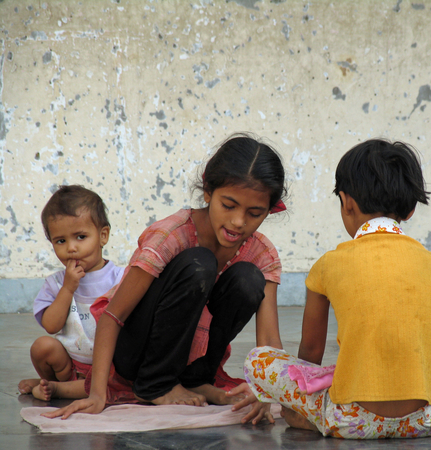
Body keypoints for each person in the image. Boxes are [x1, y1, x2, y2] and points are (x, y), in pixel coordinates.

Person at [44, 134, 287, 424]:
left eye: (254, 213)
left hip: (190, 362)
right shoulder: (171, 235)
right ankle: (155, 384)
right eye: (229, 205)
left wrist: (267, 390)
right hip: (135, 358)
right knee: (200, 263)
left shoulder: (262, 253)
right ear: (208, 192)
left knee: (249, 279)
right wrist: (98, 394)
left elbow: (270, 339)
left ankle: (195, 380)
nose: (238, 221)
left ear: (269, 210)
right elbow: (113, 316)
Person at [244, 139, 431, 439]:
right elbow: (428, 342)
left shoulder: (329, 264)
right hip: (423, 420)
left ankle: (316, 419)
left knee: (258, 360)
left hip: (351, 420)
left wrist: (295, 403)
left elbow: (311, 353)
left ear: (347, 203)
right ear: (409, 210)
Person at [18, 185, 124, 401]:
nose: (71, 248)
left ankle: (55, 389)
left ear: (103, 236)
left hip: (113, 366)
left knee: (127, 375)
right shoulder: (56, 283)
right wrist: (67, 289)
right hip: (70, 365)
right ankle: (59, 383)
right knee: (42, 347)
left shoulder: (120, 278)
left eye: (81, 237)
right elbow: (51, 326)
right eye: (61, 241)